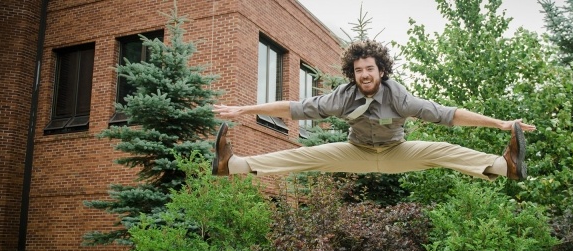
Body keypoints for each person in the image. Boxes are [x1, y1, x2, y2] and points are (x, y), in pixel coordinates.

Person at [211, 40, 535, 181]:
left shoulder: (399, 98)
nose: (364, 75)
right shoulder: (343, 96)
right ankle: (234, 165)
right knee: (306, 155)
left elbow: (449, 114)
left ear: (381, 70)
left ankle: (503, 166)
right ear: (353, 74)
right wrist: (245, 108)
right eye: (358, 70)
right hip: (356, 150)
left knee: (441, 149)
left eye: (370, 69)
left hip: (397, 151)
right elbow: (295, 108)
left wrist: (500, 123)